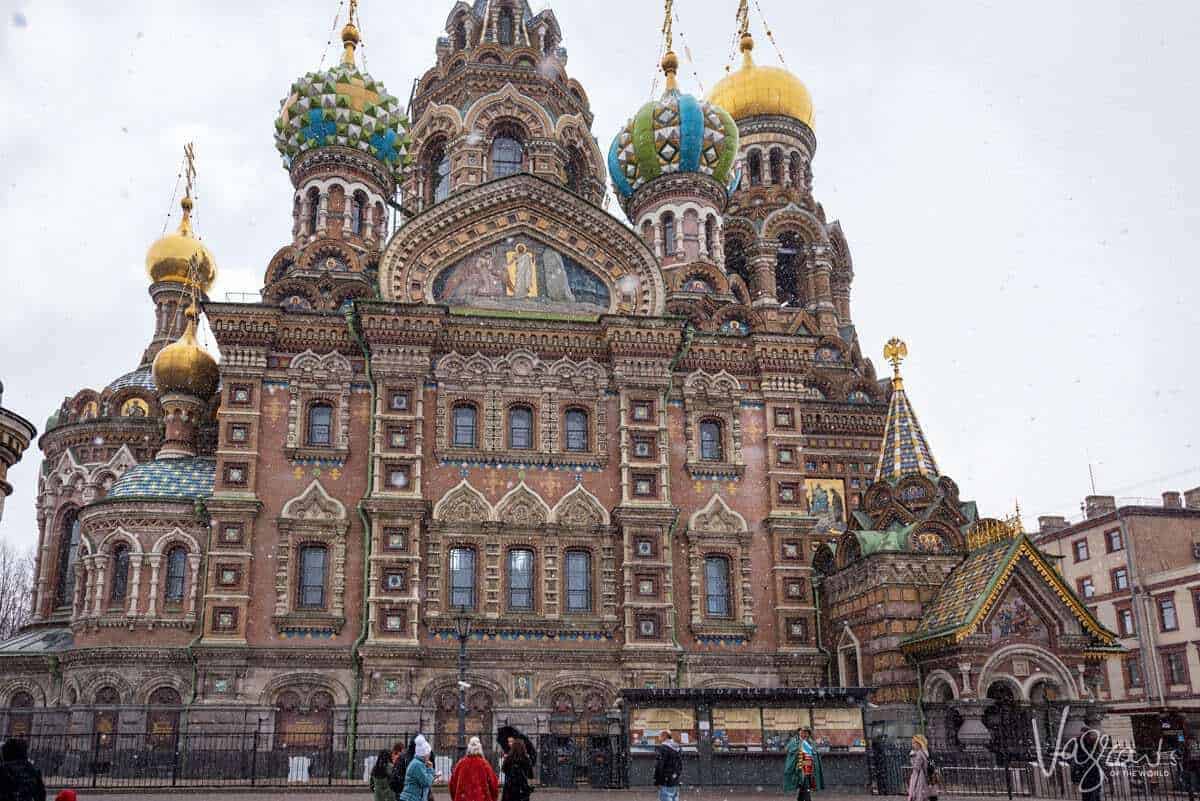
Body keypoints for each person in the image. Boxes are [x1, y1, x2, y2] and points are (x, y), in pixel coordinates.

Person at [449, 736, 499, 801]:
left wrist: (456, 797)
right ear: (480, 748)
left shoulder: (461, 764)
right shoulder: (485, 765)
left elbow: (452, 784)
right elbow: (493, 785)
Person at [399, 735, 437, 801]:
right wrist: (430, 770)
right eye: (428, 753)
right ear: (424, 753)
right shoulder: (417, 765)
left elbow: (424, 780)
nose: (430, 755)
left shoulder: (419, 763)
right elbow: (426, 782)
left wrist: (431, 773)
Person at [653, 730, 682, 801]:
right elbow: (680, 765)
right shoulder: (676, 747)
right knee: (674, 797)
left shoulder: (663, 748)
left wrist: (657, 780)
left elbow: (659, 765)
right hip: (674, 779)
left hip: (665, 779)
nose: (659, 738)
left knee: (665, 797)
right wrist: (676, 775)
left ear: (664, 736)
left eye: (660, 736)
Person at [500, 737, 533, 801]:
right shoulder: (526, 759)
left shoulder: (508, 759)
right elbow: (530, 774)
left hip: (509, 787)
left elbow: (504, 770)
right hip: (522, 787)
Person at [907, 735, 933, 801]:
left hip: (918, 776)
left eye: (914, 743)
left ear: (919, 744)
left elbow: (916, 766)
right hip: (923, 775)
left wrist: (912, 757)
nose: (913, 745)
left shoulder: (918, 753)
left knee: (916, 792)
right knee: (922, 792)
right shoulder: (924, 752)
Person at [799, 728, 824, 793]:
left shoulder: (811, 742)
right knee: (805, 774)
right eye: (804, 733)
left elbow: (814, 750)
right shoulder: (802, 741)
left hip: (810, 760)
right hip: (804, 759)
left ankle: (810, 787)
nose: (806, 734)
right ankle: (806, 787)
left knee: (810, 775)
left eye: (807, 733)